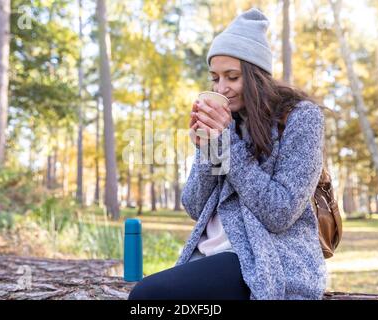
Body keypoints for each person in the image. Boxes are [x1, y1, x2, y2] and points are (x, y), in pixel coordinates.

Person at [128, 7, 327, 300]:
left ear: (257, 76)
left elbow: (280, 212)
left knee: (146, 297)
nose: (222, 88)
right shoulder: (224, 120)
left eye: (232, 77)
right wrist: (207, 149)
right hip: (211, 255)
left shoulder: (301, 118)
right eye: (215, 78)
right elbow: (195, 206)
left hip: (268, 260)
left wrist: (226, 144)